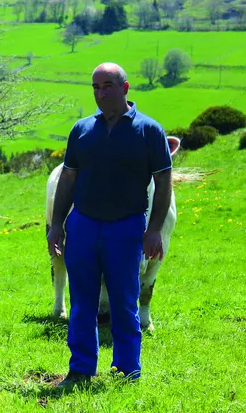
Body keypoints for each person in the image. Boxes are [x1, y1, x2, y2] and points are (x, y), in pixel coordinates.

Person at [46, 62, 173, 391]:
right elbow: (68, 178)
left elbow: (163, 183)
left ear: (125, 88)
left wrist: (154, 228)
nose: (101, 93)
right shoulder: (82, 130)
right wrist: (57, 223)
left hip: (126, 228)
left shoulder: (149, 131)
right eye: (95, 88)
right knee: (82, 303)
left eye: (108, 86)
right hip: (83, 225)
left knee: (124, 302)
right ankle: (81, 369)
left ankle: (127, 370)